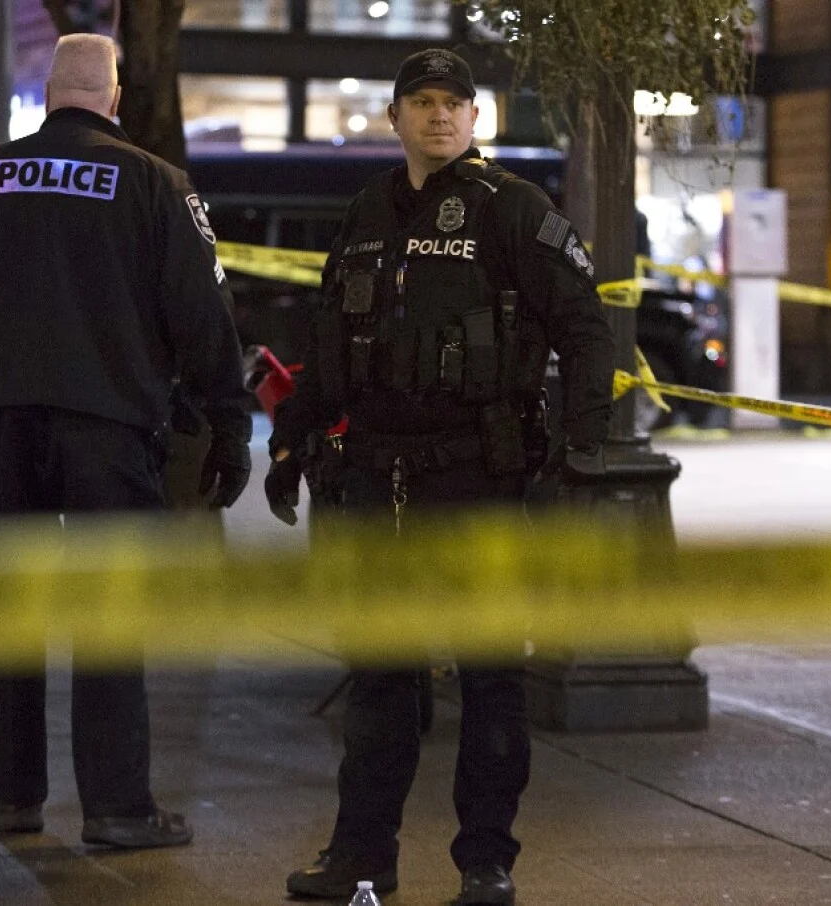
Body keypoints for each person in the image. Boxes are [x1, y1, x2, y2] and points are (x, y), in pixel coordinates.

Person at [0, 34, 253, 849]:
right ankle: (116, 808)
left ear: (48, 97)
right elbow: (203, 315)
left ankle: (14, 798)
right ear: (113, 97)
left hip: (2, 426)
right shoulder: (155, 182)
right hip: (109, 428)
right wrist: (229, 421)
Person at [265, 47, 614, 905]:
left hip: (476, 476)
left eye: (453, 102)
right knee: (379, 675)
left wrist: (582, 448)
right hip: (375, 478)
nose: (439, 115)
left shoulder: (512, 209)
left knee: (489, 677)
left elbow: (585, 330)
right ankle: (361, 857)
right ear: (395, 118)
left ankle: (486, 863)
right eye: (421, 102)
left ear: (474, 117)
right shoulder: (367, 211)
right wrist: (291, 439)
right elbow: (330, 344)